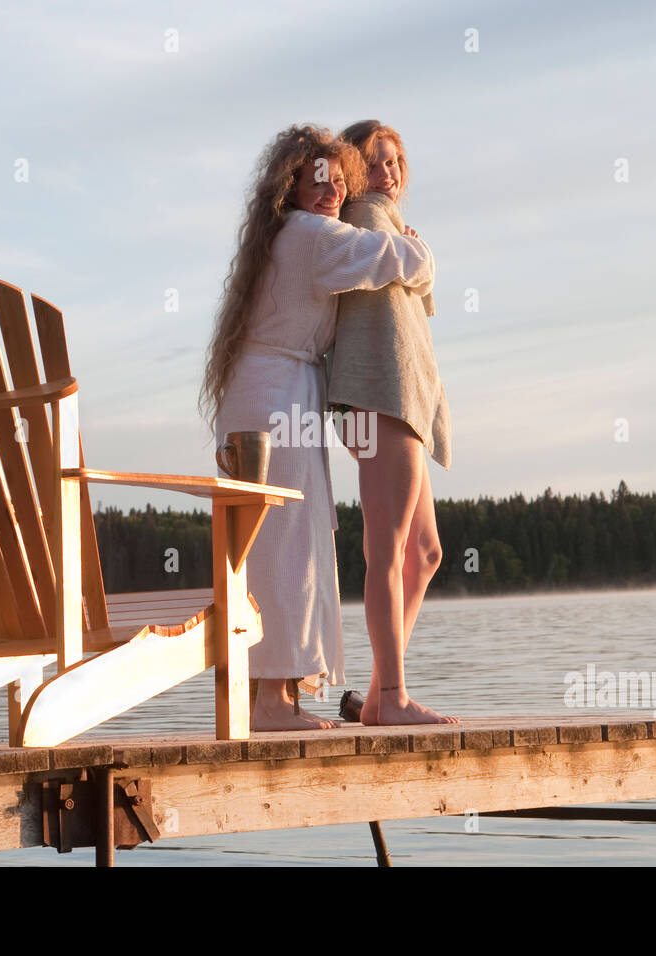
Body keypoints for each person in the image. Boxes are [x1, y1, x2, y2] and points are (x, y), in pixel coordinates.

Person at [199, 124, 436, 732]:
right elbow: (390, 258)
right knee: (289, 544)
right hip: (278, 401)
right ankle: (276, 704)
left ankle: (270, 698)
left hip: (262, 397)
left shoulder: (283, 236)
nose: (332, 189)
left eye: (339, 178)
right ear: (294, 184)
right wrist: (420, 249)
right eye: (318, 177)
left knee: (274, 543)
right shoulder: (310, 235)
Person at [328, 120, 458, 725]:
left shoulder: (382, 222)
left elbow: (414, 283)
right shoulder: (364, 218)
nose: (388, 172)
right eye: (375, 161)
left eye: (395, 160)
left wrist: (416, 253)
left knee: (425, 552)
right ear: (355, 170)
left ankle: (381, 693)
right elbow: (411, 269)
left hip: (395, 400)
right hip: (380, 398)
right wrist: (420, 251)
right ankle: (392, 700)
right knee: (388, 548)